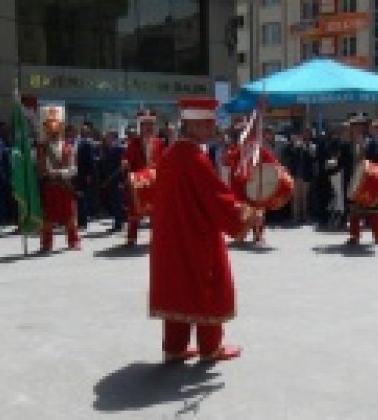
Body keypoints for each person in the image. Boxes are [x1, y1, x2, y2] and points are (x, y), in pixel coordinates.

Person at [149, 97, 262, 362]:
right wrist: (245, 214)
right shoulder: (194, 158)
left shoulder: (170, 155)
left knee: (178, 288)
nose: (213, 129)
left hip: (170, 236)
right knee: (208, 285)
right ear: (194, 126)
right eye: (208, 124)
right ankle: (211, 347)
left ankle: (174, 348)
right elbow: (216, 198)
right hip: (195, 235)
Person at [122, 109, 165, 246]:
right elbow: (127, 158)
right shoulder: (134, 143)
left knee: (156, 210)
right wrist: (125, 163)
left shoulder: (159, 142)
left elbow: (163, 159)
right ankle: (131, 237)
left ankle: (157, 237)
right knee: (134, 208)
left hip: (154, 179)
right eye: (146, 125)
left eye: (151, 125)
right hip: (139, 180)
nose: (148, 128)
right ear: (141, 126)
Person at [38, 118, 80, 252]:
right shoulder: (41, 149)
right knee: (48, 217)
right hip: (49, 186)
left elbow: (74, 169)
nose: (53, 134)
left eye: (56, 131)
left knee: (70, 215)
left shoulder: (69, 147)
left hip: (65, 186)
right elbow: (37, 168)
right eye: (50, 131)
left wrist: (59, 173)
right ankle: (46, 243)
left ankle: (74, 241)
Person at [343, 112, 378, 245]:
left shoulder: (371, 142)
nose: (357, 129)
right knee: (354, 209)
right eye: (354, 126)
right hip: (354, 178)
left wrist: (365, 148)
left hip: (369, 178)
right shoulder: (348, 143)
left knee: (374, 208)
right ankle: (355, 236)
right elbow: (343, 160)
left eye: (359, 126)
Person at [99, 131, 125, 232]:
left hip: (116, 179)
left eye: (108, 136)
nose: (106, 138)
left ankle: (119, 224)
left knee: (117, 202)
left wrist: (121, 181)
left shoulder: (119, 148)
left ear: (113, 137)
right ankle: (118, 222)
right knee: (114, 202)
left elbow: (122, 166)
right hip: (109, 179)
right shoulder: (106, 149)